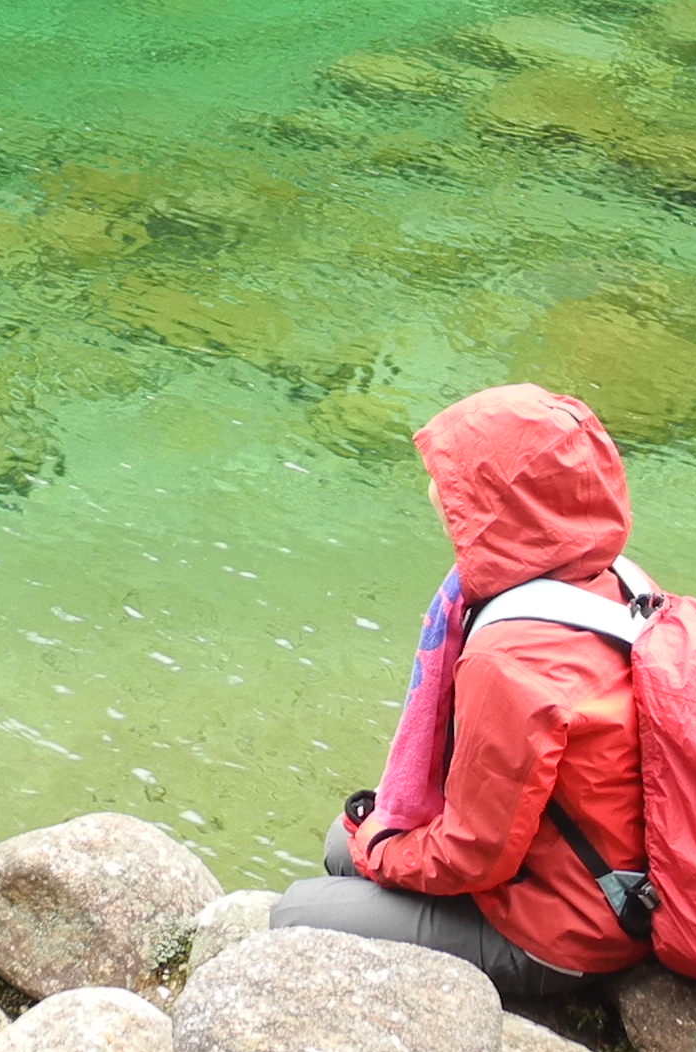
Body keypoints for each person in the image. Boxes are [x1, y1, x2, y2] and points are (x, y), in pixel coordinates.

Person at [272, 383, 648, 1005]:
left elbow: (475, 857)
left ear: (504, 506)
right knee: (345, 845)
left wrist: (382, 854)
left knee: (292, 914)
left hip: (568, 931)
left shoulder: (509, 660)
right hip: (601, 873)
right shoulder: (616, 582)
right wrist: (374, 847)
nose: (442, 497)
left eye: (458, 487)